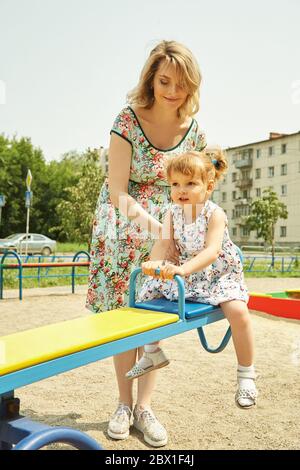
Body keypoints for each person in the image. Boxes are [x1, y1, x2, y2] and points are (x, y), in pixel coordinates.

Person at [86, 40, 207, 447]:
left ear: (192, 87)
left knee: (153, 317)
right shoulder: (127, 119)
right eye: (164, 81)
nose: (172, 91)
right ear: (151, 79)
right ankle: (123, 403)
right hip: (126, 224)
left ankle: (145, 407)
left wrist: (193, 232)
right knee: (124, 317)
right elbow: (118, 191)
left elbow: (198, 187)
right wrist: (161, 230)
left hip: (170, 226)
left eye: (181, 84)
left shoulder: (194, 132)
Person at [126, 149, 258, 410]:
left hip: (215, 274)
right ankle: (152, 353)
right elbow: (162, 244)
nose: (181, 190)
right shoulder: (171, 213)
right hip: (186, 273)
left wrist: (183, 270)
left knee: (238, 311)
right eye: (175, 184)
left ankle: (246, 374)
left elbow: (212, 251)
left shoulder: (214, 214)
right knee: (146, 295)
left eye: (190, 183)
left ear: (208, 187)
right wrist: (154, 264)